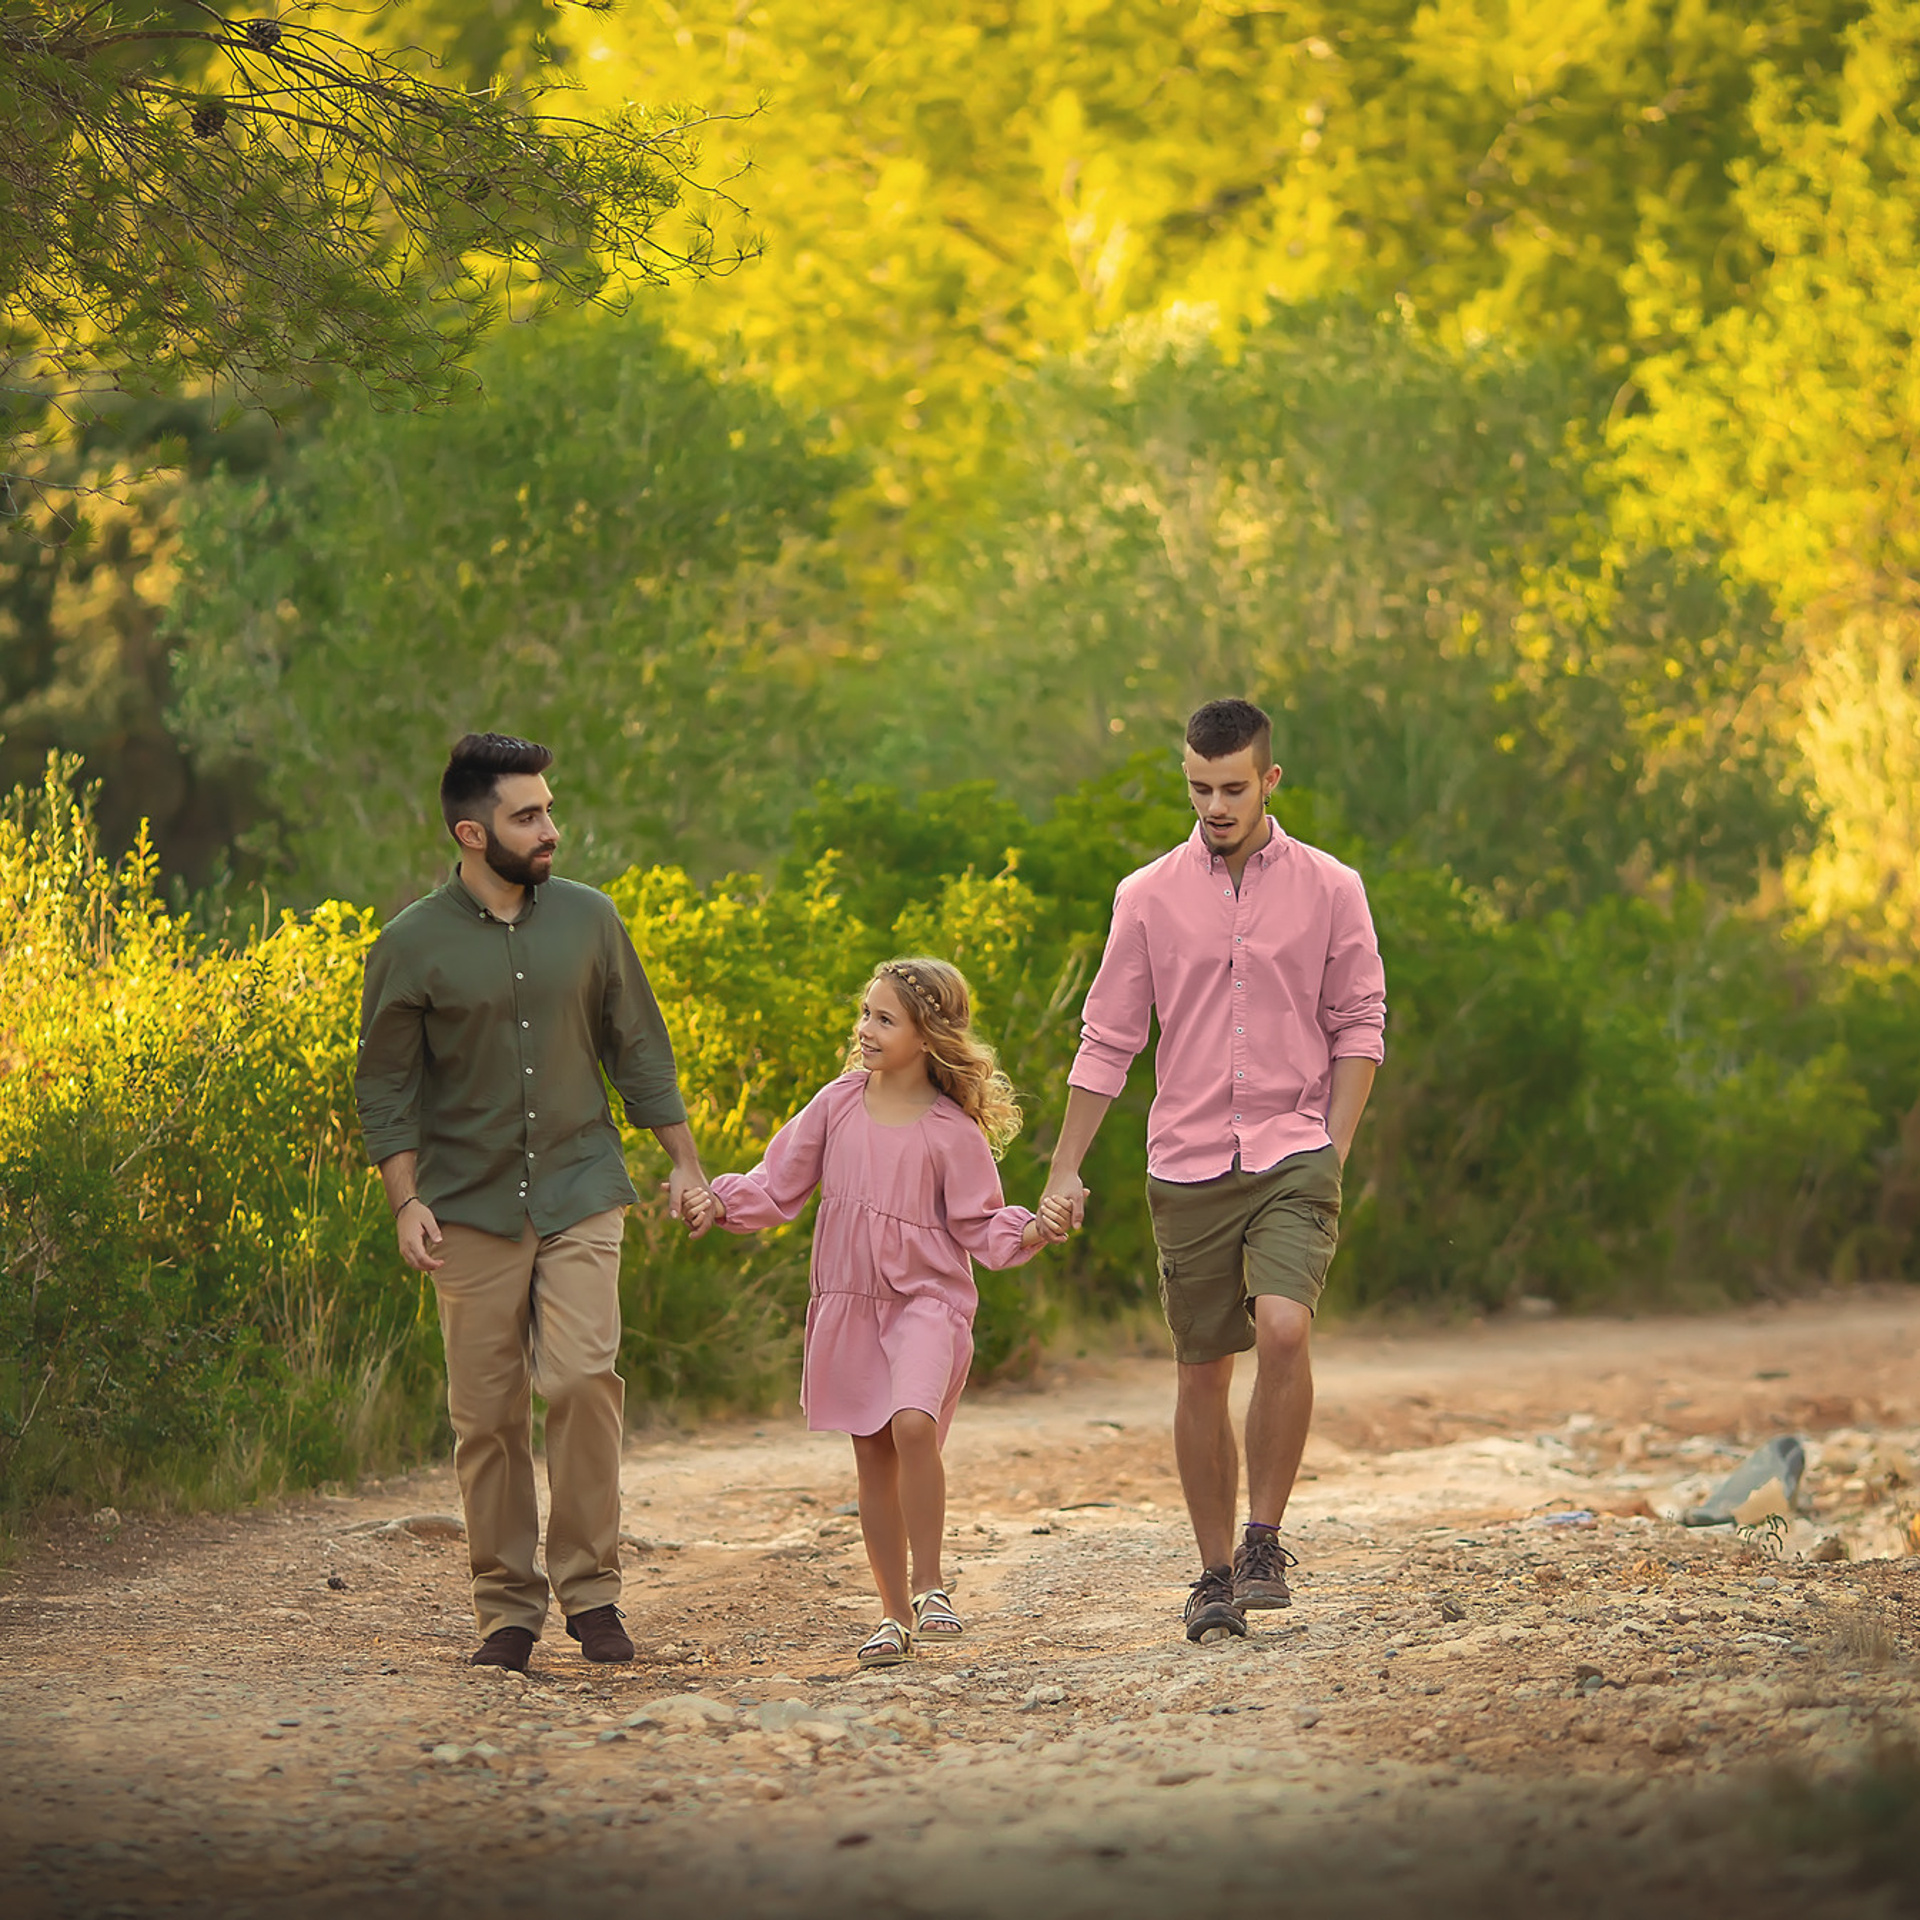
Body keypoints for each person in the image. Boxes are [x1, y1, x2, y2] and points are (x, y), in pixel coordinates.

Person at [354, 732, 708, 1673]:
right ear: (472, 832)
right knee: (487, 1415)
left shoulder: (590, 920)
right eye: (528, 815)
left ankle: (592, 1593)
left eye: (548, 809)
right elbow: (383, 1086)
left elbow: (639, 1047)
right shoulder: (409, 944)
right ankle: (505, 1609)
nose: (551, 828)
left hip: (580, 1185)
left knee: (585, 1378)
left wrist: (685, 1164)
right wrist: (403, 1199)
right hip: (465, 1203)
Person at [1041, 699, 1386, 1642]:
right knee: (1202, 1371)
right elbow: (1107, 1040)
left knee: (1282, 1328)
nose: (1216, 806)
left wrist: (1335, 1149)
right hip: (1186, 1160)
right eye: (1200, 788)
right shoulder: (1146, 895)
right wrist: (1064, 1171)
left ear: (1270, 780)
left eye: (1233, 788)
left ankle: (1264, 1538)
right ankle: (1211, 1577)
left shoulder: (1331, 887)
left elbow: (1360, 1022)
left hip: (1293, 1150)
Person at [680, 958, 1072, 1667]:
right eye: (864, 1013)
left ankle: (930, 1586)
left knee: (913, 1424)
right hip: (850, 1304)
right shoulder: (835, 1103)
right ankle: (891, 1614)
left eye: (883, 1018)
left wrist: (1033, 1230)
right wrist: (720, 1200)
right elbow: (779, 1184)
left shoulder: (952, 1131)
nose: (864, 1029)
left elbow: (981, 1225)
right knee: (871, 1455)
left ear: (927, 1036)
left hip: (929, 1300)